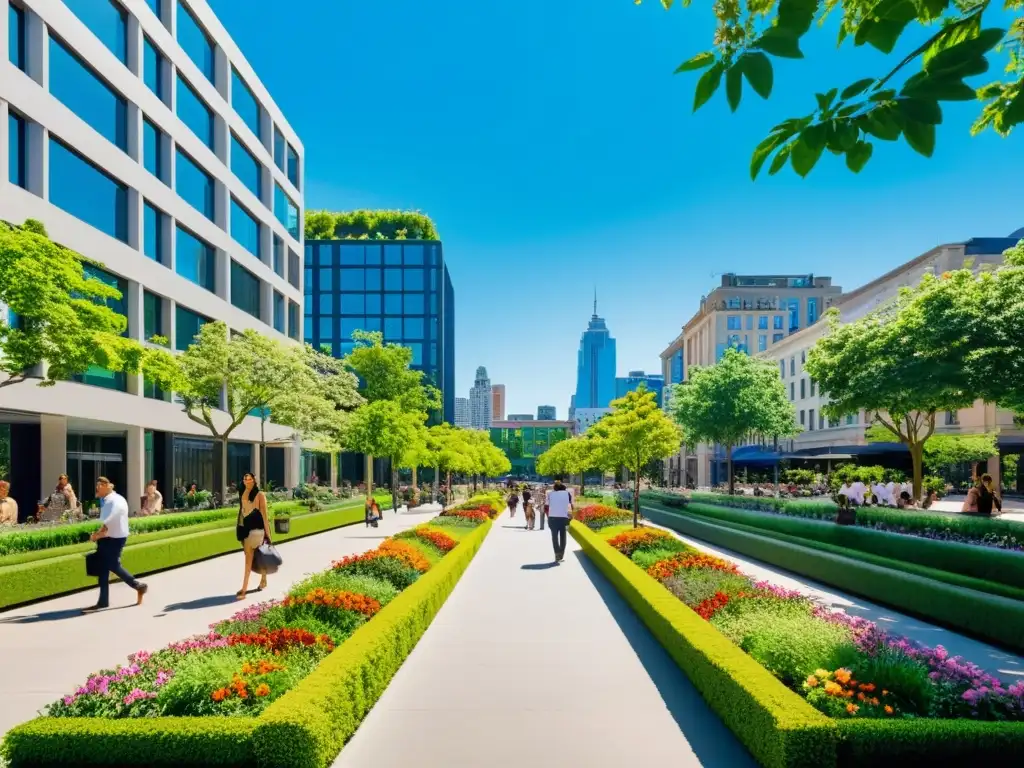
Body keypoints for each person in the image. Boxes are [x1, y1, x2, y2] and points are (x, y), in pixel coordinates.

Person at [83, 477, 147, 613]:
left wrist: (96, 536)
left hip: (110, 539)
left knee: (112, 566)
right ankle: (103, 601)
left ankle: (137, 585)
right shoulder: (118, 498)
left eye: (98, 487)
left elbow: (106, 525)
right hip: (117, 538)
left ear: (105, 486)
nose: (96, 490)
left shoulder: (110, 501)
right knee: (104, 568)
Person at [236, 472, 271, 599]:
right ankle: (263, 578)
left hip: (257, 532)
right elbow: (243, 512)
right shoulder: (243, 494)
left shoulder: (260, 495)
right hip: (246, 531)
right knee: (253, 559)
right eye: (245, 479)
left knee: (250, 560)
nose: (247, 481)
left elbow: (265, 517)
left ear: (254, 481)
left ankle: (244, 590)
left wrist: (269, 535)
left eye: (250, 479)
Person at [545, 481, 573, 563]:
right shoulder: (567, 494)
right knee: (563, 537)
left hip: (552, 518)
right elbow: (570, 505)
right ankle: (561, 554)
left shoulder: (550, 494)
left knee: (554, 537)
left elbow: (546, 505)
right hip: (563, 518)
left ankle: (557, 553)